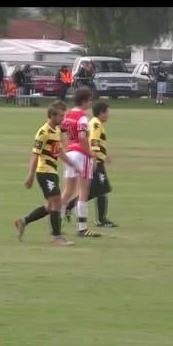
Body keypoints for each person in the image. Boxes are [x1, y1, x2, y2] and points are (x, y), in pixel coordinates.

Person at [13, 102, 81, 247]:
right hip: (44, 172)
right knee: (57, 201)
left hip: (53, 172)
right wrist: (30, 177)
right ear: (52, 116)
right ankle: (57, 237)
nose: (63, 119)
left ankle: (23, 221)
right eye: (61, 116)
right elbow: (35, 156)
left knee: (51, 206)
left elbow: (60, 152)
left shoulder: (56, 130)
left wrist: (73, 164)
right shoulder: (43, 133)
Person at [65, 102, 118, 227]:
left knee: (95, 190)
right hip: (96, 161)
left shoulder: (95, 123)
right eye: (107, 113)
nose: (108, 116)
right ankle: (100, 219)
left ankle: (70, 206)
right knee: (100, 190)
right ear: (101, 113)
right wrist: (98, 158)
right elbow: (93, 143)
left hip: (96, 160)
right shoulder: (96, 124)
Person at [60, 88, 101, 237]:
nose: (91, 103)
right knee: (83, 191)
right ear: (84, 101)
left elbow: (62, 132)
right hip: (80, 155)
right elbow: (83, 137)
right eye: (90, 100)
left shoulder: (68, 114)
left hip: (70, 153)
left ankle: (57, 224)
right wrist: (90, 153)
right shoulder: (83, 117)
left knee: (67, 191)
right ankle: (82, 227)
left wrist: (67, 147)